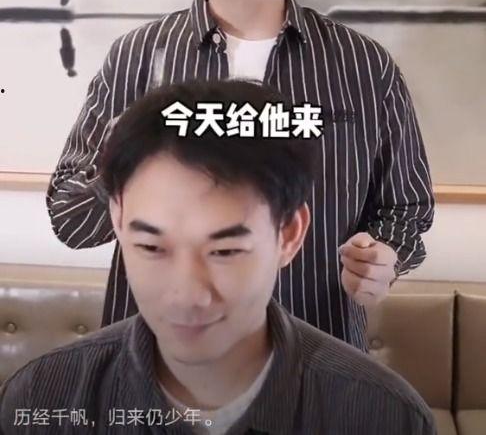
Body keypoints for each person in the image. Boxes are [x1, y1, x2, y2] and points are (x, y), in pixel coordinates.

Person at [46, 0, 435, 351]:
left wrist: (384, 256)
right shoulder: (137, 58)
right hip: (159, 361)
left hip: (315, 357)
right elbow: (71, 221)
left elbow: (407, 208)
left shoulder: (362, 64)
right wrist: (124, 155)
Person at [3, 81, 437, 435]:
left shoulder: (383, 414)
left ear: (288, 234)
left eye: (225, 251)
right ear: (118, 220)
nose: (186, 295)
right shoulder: (44, 398)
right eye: (152, 247)